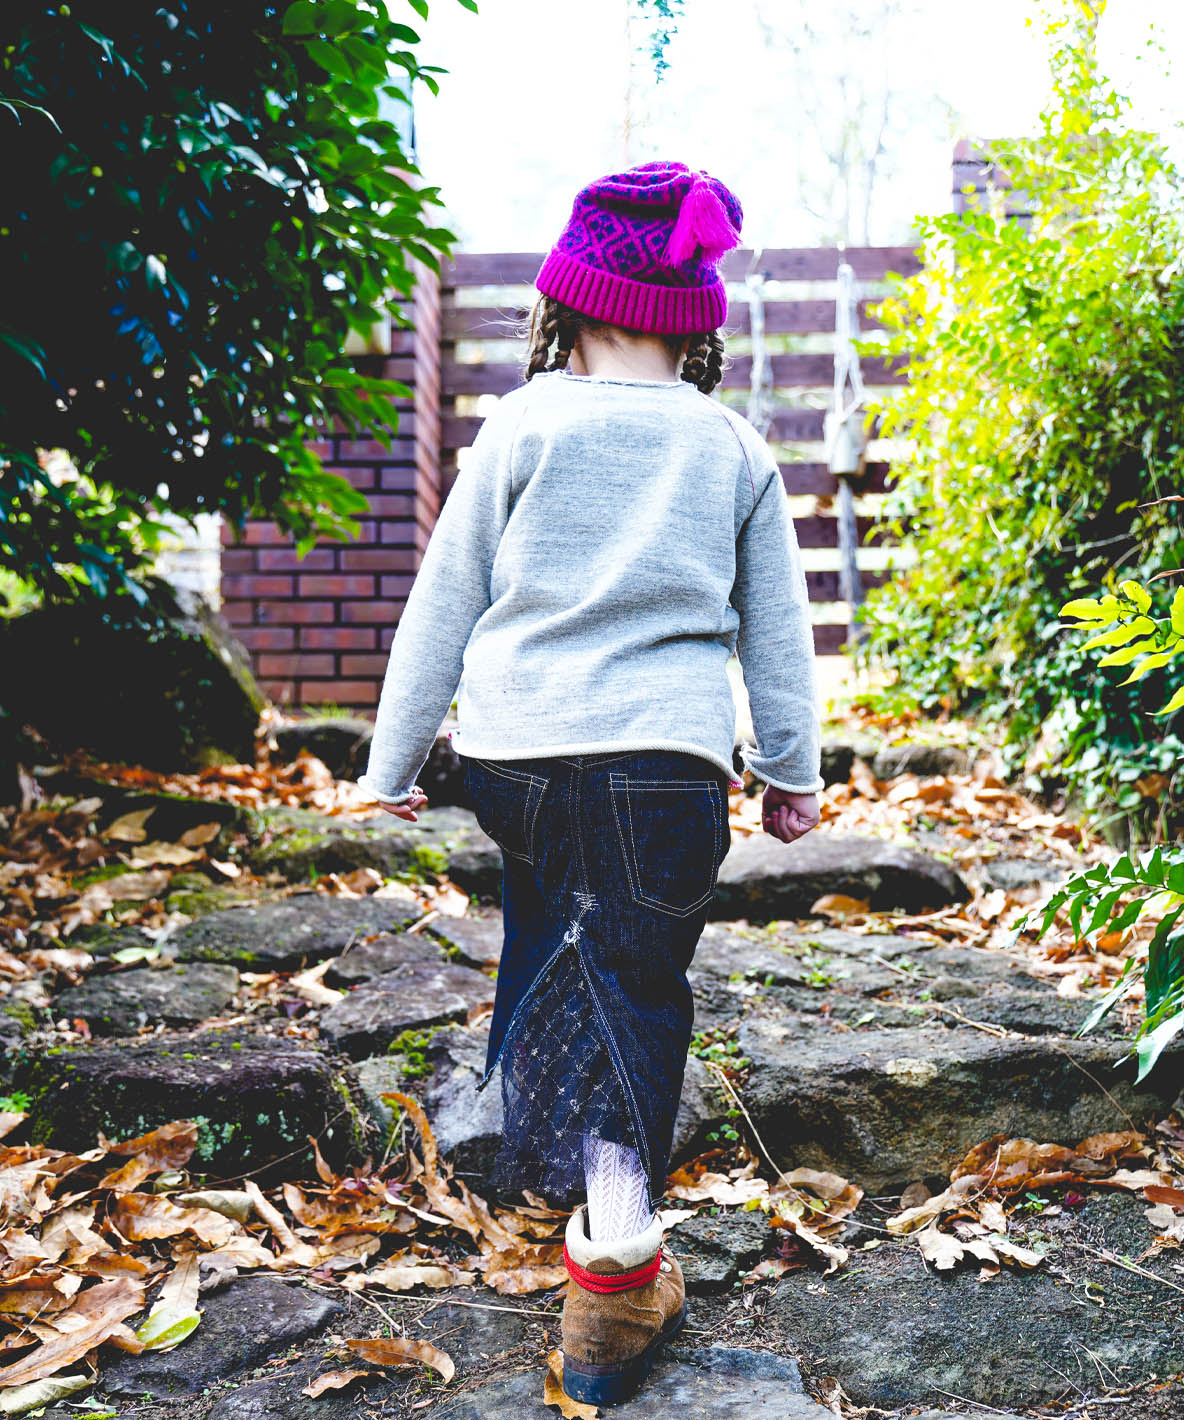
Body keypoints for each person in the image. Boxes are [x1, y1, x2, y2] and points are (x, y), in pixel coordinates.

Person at [357, 159, 822, 1407]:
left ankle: (558, 1170)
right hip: (661, 772)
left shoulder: (517, 426)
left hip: (515, 761)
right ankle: (612, 1268)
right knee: (635, 988)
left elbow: (440, 601)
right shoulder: (729, 447)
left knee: (553, 949)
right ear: (693, 319)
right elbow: (775, 634)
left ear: (567, 304)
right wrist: (789, 773)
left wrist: (389, 759)